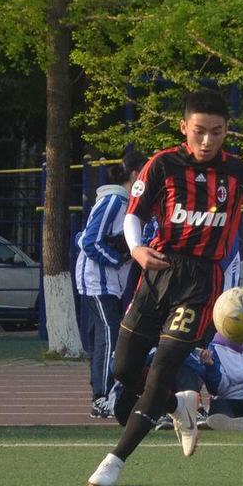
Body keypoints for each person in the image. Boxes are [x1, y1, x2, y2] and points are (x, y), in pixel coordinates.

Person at [87, 88, 243, 486]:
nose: (207, 140)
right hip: (157, 273)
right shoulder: (162, 165)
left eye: (216, 132)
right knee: (124, 369)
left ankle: (115, 460)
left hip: (201, 283)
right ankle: (178, 405)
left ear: (226, 131)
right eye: (199, 131)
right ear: (183, 127)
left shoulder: (237, 172)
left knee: (163, 367)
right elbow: (134, 215)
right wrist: (136, 249)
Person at [75, 151, 146, 419]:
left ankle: (102, 392)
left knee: (103, 335)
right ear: (135, 174)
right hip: (98, 281)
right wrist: (119, 258)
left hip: (112, 283)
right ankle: (102, 396)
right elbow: (88, 240)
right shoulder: (115, 201)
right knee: (110, 333)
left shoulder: (130, 204)